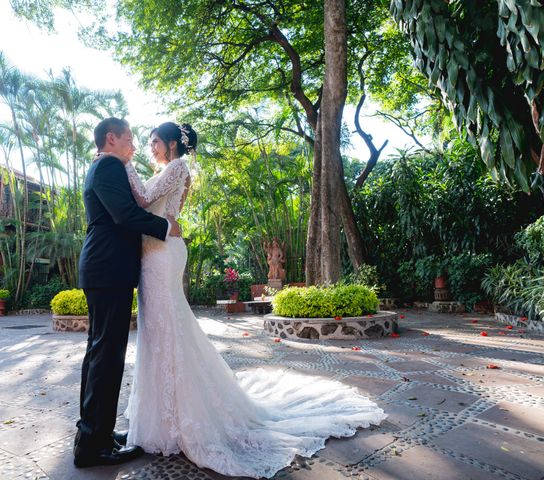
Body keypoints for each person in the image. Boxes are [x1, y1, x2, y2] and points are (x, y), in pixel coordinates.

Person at [122, 122, 387, 478]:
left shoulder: (176, 167)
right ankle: (163, 418)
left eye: (154, 141)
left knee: (167, 326)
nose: (149, 147)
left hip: (162, 254)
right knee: (160, 329)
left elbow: (141, 198)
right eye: (147, 142)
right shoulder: (170, 170)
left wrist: (123, 161)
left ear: (172, 144)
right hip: (156, 252)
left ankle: (182, 417)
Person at [74, 117, 182, 468]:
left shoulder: (106, 166)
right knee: (106, 356)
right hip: (108, 269)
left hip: (106, 269)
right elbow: (124, 214)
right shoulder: (108, 166)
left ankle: (96, 433)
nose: (133, 146)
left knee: (100, 354)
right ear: (111, 138)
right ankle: (93, 445)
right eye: (129, 139)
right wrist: (166, 227)